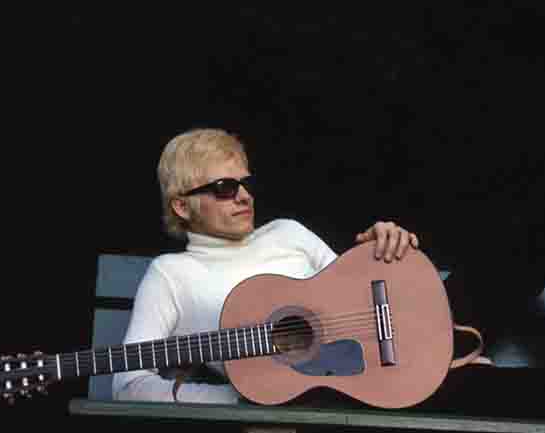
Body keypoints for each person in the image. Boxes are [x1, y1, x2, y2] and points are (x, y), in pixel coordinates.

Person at [112, 128, 422, 404]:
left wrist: (382, 254)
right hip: (283, 420)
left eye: (245, 184)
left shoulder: (289, 232)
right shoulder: (170, 274)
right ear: (182, 206)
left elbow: (360, 302)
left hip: (364, 391)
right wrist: (237, 399)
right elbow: (128, 384)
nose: (244, 197)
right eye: (224, 188)